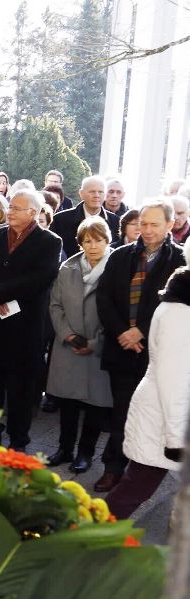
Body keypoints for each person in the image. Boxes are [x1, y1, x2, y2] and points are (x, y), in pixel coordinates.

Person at [94, 198, 185, 493]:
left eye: (154, 224)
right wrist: (123, 332)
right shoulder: (120, 256)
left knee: (150, 417)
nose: (145, 230)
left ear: (171, 225)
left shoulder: (180, 262)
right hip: (121, 349)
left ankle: (142, 472)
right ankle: (113, 468)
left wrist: (140, 333)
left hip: (155, 353)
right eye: (142, 224)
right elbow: (104, 298)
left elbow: (174, 309)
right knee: (120, 412)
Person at [0, 189, 62, 450]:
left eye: (16, 208)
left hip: (25, 327)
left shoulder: (49, 241)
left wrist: (5, 293)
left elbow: (42, 278)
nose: (9, 212)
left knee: (21, 389)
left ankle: (19, 440)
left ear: (33, 212)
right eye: (9, 207)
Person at [106, 266, 189, 518]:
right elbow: (174, 379)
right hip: (164, 419)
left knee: (135, 488)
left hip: (168, 415)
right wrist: (175, 440)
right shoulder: (180, 313)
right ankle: (82, 541)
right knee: (134, 489)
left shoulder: (179, 305)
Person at [46, 217, 114, 474]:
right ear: (80, 243)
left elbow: (119, 312)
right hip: (69, 346)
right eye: (87, 240)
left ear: (108, 241)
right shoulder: (68, 267)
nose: (93, 245)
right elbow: (55, 305)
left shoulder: (117, 267)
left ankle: (85, 453)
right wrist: (67, 335)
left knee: (95, 404)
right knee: (68, 403)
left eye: (98, 240)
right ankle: (64, 449)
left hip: (99, 348)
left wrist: (95, 343)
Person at [50, 175, 120, 258]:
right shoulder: (60, 220)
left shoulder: (115, 222)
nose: (96, 195)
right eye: (92, 191)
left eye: (100, 192)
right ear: (81, 194)